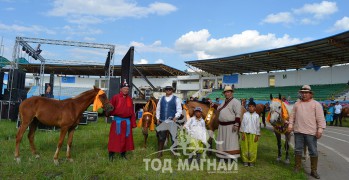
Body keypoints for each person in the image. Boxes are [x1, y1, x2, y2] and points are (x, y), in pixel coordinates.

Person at [288, 85, 326, 179]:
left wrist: (320, 130)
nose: (304, 94)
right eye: (302, 92)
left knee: (313, 151)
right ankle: (297, 167)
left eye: (306, 93)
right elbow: (292, 116)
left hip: (311, 132)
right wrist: (290, 125)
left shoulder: (316, 104)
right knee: (298, 149)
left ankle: (314, 171)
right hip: (298, 131)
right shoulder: (297, 104)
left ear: (310, 94)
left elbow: (320, 118)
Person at [107, 80, 137, 161]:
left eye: (127, 89)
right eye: (124, 88)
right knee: (114, 139)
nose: (126, 90)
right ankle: (111, 155)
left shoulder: (129, 99)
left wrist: (133, 123)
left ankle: (123, 154)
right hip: (117, 122)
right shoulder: (115, 97)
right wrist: (107, 113)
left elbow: (132, 112)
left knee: (125, 139)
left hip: (126, 123)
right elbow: (110, 108)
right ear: (121, 89)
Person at [212, 85, 241, 161]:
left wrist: (236, 124)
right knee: (223, 143)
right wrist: (212, 104)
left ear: (231, 93)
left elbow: (238, 114)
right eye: (225, 92)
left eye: (228, 92)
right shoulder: (224, 102)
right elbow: (219, 109)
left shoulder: (236, 102)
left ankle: (231, 158)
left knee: (230, 143)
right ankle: (222, 157)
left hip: (231, 125)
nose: (226, 94)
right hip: (222, 125)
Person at [156, 85, 182, 158]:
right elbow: (158, 109)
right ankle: (160, 152)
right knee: (161, 137)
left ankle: (174, 152)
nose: (168, 90)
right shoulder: (161, 99)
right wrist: (157, 118)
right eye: (167, 89)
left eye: (169, 89)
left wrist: (176, 116)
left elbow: (179, 109)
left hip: (172, 122)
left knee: (174, 137)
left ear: (172, 90)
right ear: (165, 90)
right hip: (162, 120)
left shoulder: (176, 99)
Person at [240, 101, 260, 167]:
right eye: (249, 106)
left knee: (253, 148)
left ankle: (251, 161)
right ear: (248, 107)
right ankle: (245, 160)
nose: (251, 108)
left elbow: (257, 126)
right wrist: (242, 133)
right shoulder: (245, 114)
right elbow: (243, 124)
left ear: (255, 108)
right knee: (245, 147)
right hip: (245, 133)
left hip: (253, 134)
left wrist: (257, 135)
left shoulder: (257, 116)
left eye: (252, 106)